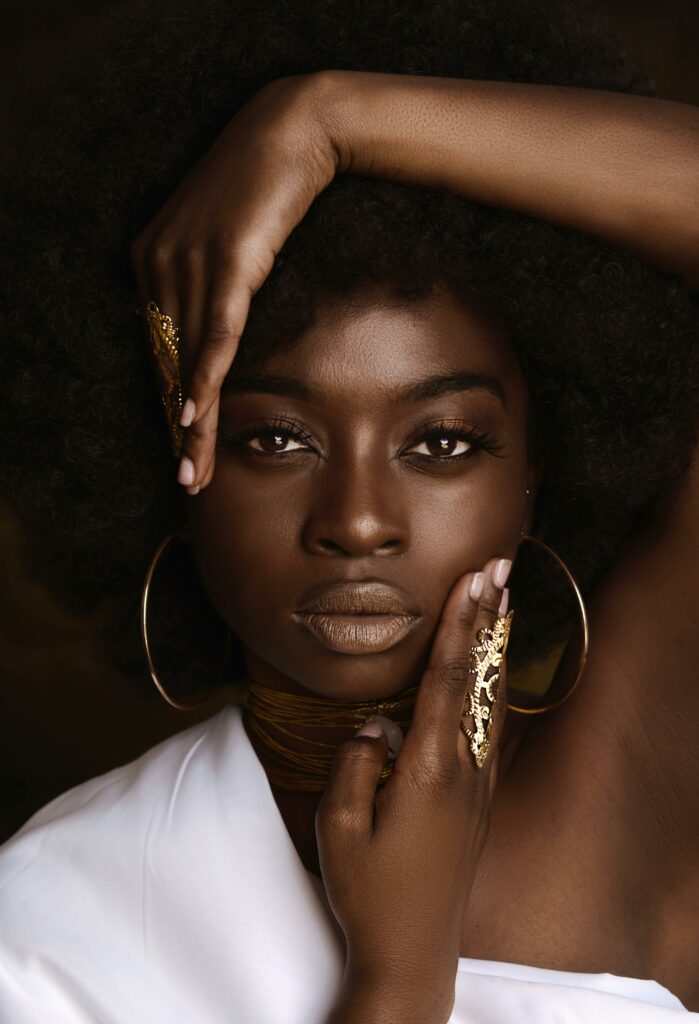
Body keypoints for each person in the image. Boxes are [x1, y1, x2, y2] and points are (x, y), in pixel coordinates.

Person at [0, 0, 697, 1021]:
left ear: (540, 470)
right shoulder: (48, 926)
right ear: (173, 471)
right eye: (276, 439)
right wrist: (399, 976)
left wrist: (331, 121)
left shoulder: (640, 765)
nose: (359, 520)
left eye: (443, 442)